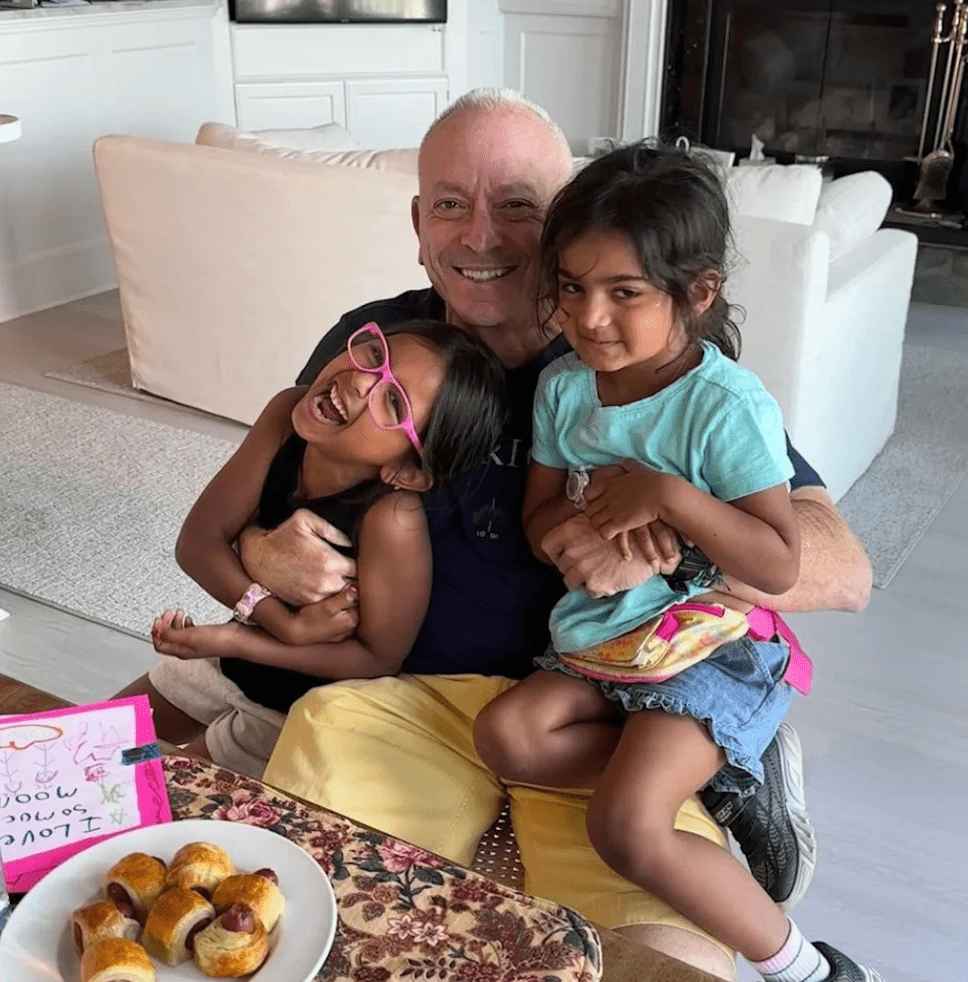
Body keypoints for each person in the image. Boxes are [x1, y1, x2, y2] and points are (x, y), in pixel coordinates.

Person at [206, 91, 868, 978]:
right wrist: (260, 553)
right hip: (411, 701)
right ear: (419, 224)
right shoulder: (380, 341)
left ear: (566, 221)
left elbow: (840, 566)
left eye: (516, 205)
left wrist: (663, 536)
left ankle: (735, 781)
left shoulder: (655, 366)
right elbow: (278, 476)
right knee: (299, 902)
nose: (480, 236)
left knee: (660, 954)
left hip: (618, 697)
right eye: (451, 203)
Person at [472, 144, 882, 982]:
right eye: (573, 288)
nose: (590, 318)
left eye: (624, 293)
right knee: (505, 737)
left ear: (697, 293)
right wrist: (574, 534)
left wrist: (668, 496)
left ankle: (811, 970)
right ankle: (723, 770)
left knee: (625, 828)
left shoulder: (724, 406)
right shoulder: (565, 388)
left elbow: (777, 561)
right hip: (605, 637)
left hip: (707, 648)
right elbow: (538, 514)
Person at [121, 320, 506, 778]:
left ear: (408, 471)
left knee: (155, 788)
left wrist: (241, 640)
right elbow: (198, 542)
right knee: (99, 748)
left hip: (293, 713)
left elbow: (377, 659)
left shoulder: (391, 520)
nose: (360, 381)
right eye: (374, 355)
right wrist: (279, 622)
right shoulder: (284, 415)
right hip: (225, 659)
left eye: (393, 401)